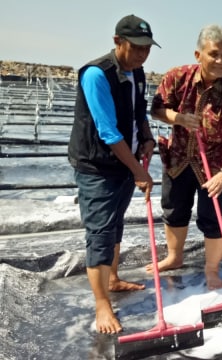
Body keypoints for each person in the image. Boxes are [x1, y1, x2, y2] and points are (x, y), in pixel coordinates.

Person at [67, 14, 159, 334]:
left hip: (124, 162)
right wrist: (139, 172)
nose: (142, 55)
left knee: (115, 224)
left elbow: (138, 113)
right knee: (100, 233)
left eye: (147, 49)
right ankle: (101, 304)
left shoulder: (138, 72)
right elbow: (107, 131)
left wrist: (147, 139)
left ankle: (113, 278)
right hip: (98, 166)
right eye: (136, 48)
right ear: (117, 41)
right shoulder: (97, 75)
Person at [148, 24, 222, 290]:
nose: (221, 61)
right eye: (214, 54)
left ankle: (212, 269)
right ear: (198, 54)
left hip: (214, 166)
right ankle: (174, 257)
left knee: (214, 218)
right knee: (174, 210)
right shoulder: (177, 77)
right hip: (178, 158)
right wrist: (178, 118)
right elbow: (156, 108)